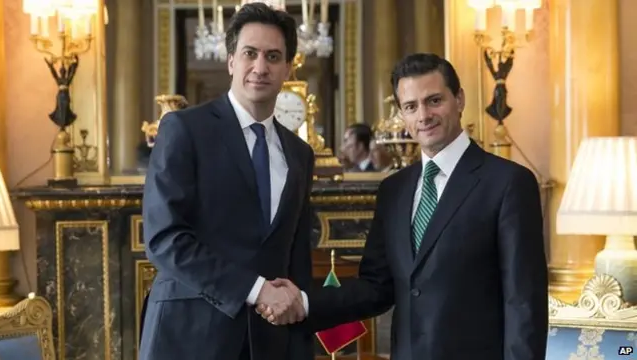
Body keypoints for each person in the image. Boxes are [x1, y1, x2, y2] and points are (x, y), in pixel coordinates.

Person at [261, 53, 548, 360]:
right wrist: (304, 303)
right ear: (402, 114)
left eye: (434, 100)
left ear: (459, 99)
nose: (423, 115)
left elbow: (524, 303)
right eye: (411, 106)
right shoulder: (394, 190)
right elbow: (376, 287)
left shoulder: (508, 183)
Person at [139, 3, 315, 360]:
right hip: (188, 336)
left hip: (270, 341)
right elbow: (164, 238)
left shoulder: (300, 154)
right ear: (231, 60)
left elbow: (295, 258)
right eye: (250, 53)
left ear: (287, 69)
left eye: (273, 56)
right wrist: (255, 289)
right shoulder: (184, 129)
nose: (260, 67)